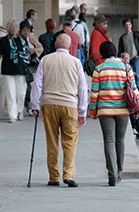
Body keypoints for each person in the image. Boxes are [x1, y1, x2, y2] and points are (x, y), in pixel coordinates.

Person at [31, 34, 88, 188]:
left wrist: (35, 105)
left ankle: (54, 176)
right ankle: (68, 174)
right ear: (70, 47)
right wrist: (82, 112)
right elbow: (82, 88)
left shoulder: (45, 60)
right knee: (69, 141)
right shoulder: (76, 62)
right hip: (70, 105)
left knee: (52, 140)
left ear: (56, 45)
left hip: (49, 104)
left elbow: (37, 83)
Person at [89, 41, 139, 186]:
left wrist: (93, 111)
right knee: (120, 141)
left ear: (102, 54)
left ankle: (111, 174)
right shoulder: (126, 67)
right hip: (123, 110)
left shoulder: (99, 69)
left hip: (105, 110)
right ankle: (119, 171)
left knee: (109, 141)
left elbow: (94, 93)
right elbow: (134, 88)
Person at [0, 19, 29, 123]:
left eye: (15, 27)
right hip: (8, 70)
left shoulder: (22, 40)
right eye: (11, 27)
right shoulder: (4, 40)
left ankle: (20, 110)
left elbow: (26, 53)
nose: (13, 29)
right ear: (8, 29)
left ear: (18, 29)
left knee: (21, 93)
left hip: (21, 69)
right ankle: (12, 115)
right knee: (10, 93)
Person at [19, 21, 44, 116]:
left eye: (27, 30)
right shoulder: (17, 38)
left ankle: (28, 104)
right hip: (20, 64)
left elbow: (40, 47)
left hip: (29, 65)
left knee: (29, 84)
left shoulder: (31, 37)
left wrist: (33, 51)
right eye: (24, 30)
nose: (26, 32)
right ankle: (23, 104)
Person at [118, 18, 139, 87]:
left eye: (129, 25)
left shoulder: (136, 35)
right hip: (127, 60)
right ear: (123, 26)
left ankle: (138, 93)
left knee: (137, 76)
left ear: (131, 25)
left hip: (136, 58)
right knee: (129, 77)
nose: (128, 26)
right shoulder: (122, 38)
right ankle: (131, 93)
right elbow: (120, 50)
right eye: (126, 25)